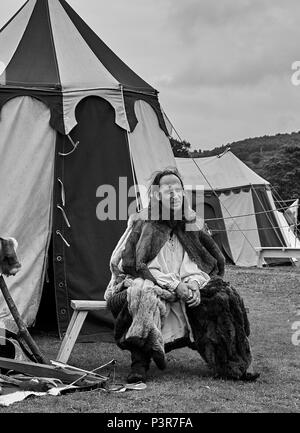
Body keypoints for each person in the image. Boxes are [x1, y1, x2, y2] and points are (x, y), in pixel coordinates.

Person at [104, 168, 259, 384]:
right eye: (169, 191)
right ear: (157, 195)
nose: (175, 195)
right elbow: (136, 265)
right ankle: (139, 364)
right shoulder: (145, 224)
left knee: (223, 296)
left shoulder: (190, 224)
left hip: (186, 287)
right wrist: (175, 286)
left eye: (179, 190)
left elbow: (201, 264)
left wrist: (194, 284)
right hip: (151, 282)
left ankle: (233, 362)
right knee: (142, 294)